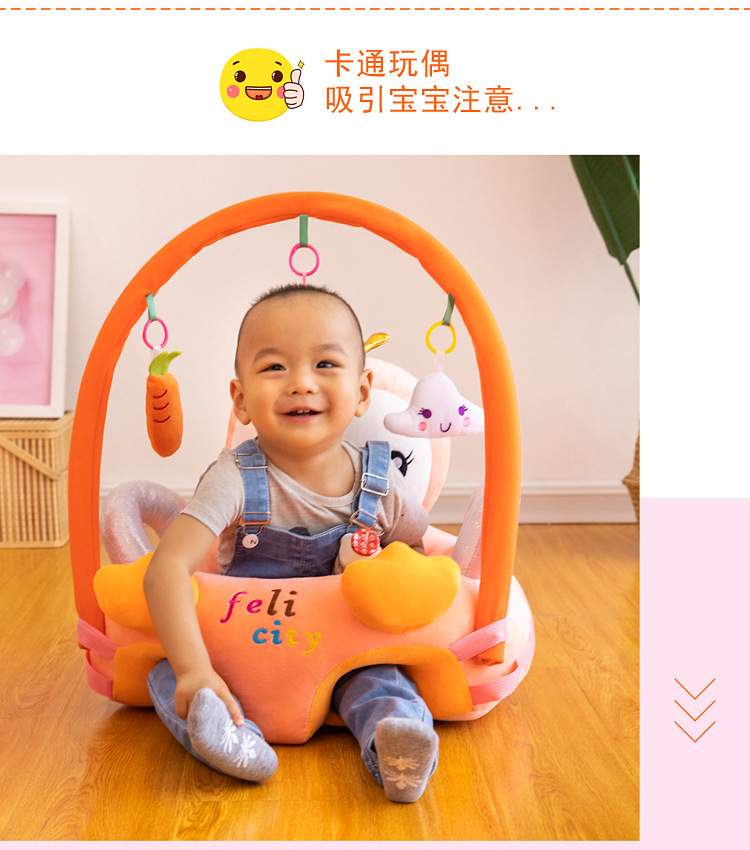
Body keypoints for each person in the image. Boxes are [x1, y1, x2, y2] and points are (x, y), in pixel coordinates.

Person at [143, 283, 439, 803]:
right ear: (240, 400)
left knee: (382, 678)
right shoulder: (234, 477)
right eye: (275, 367)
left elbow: (419, 554)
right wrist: (195, 670)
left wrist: (389, 581)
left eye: (325, 364)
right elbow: (165, 569)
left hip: (346, 657)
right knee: (167, 675)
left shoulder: (382, 484)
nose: (301, 383)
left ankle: (395, 743)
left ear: (362, 392)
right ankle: (234, 739)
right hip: (242, 654)